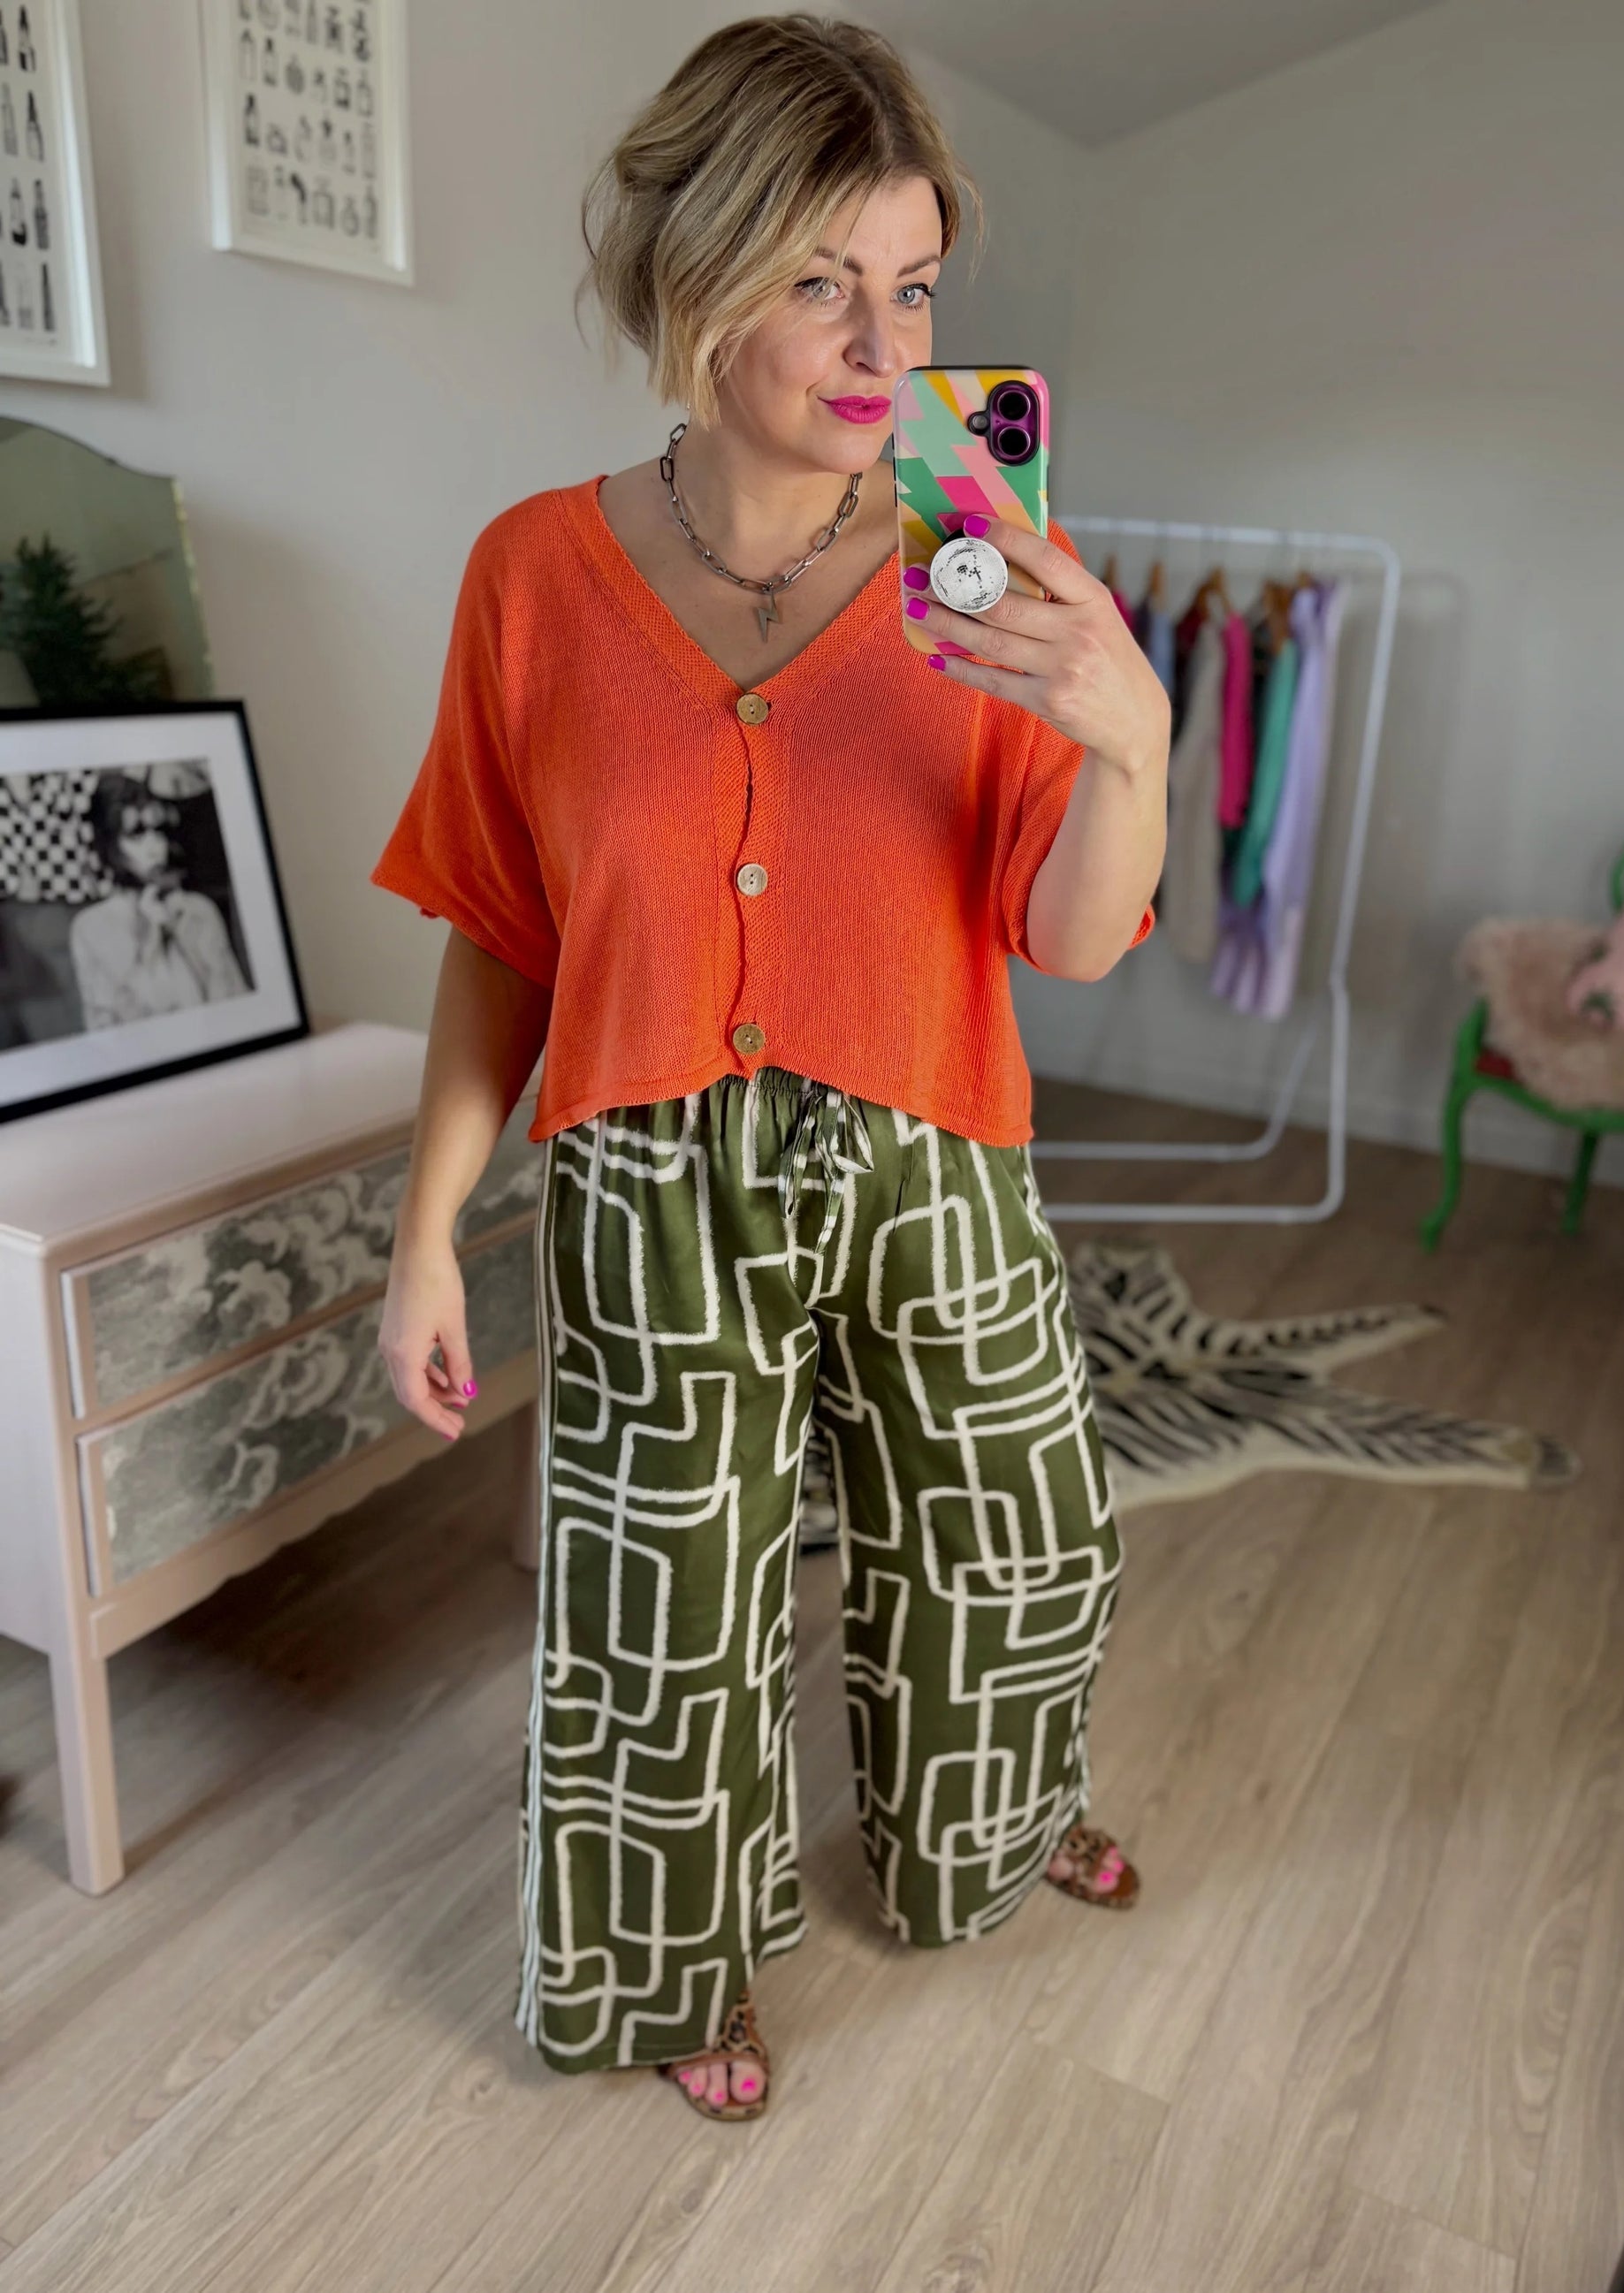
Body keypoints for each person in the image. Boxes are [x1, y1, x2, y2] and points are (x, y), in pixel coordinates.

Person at [372, 11, 1170, 2125]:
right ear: (694, 262)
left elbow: (1072, 931)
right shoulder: (533, 577)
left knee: (1015, 1536)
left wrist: (1134, 744)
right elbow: (498, 924)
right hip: (645, 1179)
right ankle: (670, 1966)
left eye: (910, 288)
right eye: (821, 276)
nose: (875, 339)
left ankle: (984, 1832)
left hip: (937, 1143)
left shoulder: (977, 535)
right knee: (666, 1613)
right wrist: (428, 1224)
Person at [69, 771, 249, 1029]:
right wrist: (151, 943)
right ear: (110, 844)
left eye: (159, 830)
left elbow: (235, 1006)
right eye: (136, 834)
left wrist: (178, 935)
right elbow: (108, 1032)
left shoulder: (198, 910)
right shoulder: (90, 928)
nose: (156, 847)